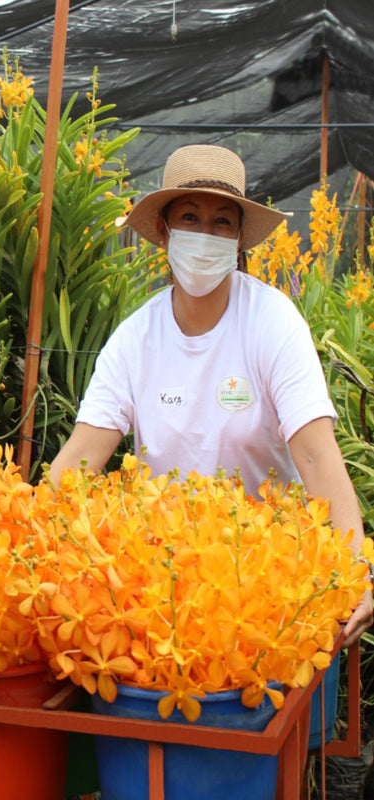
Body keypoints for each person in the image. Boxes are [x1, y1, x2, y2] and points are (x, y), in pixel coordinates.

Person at [50, 143, 372, 647]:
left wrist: (358, 567)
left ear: (240, 237)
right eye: (191, 218)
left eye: (223, 222)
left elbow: (315, 455)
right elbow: (76, 465)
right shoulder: (135, 340)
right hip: (165, 587)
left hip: (270, 578)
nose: (205, 235)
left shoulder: (272, 321)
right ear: (163, 231)